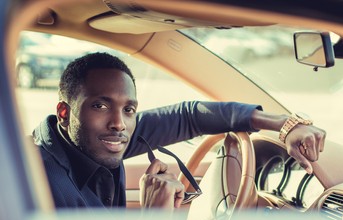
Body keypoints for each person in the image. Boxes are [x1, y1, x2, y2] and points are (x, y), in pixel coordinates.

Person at [33, 52, 326, 209]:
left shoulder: (96, 138)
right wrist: (154, 219)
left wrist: (285, 124)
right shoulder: (38, 183)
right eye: (100, 106)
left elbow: (189, 116)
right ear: (65, 112)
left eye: (129, 109)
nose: (119, 123)